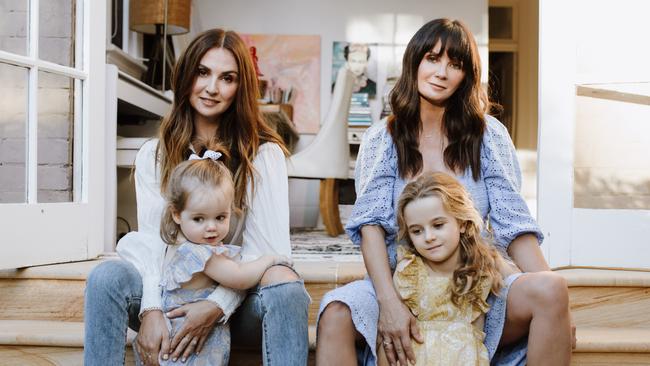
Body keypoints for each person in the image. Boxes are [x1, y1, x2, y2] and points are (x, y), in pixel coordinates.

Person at [316, 18, 573, 366]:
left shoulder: (488, 135)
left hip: (474, 286)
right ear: (415, 62)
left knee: (552, 289)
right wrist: (389, 303)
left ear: (466, 75)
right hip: (402, 286)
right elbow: (370, 226)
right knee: (335, 312)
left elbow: (514, 226)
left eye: (455, 64)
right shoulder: (384, 138)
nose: (442, 72)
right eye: (433, 59)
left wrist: (558, 304)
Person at [84, 29, 310, 366]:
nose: (212, 88)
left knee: (286, 284)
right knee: (106, 277)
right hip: (171, 298)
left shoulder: (263, 155)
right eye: (202, 72)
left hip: (238, 301)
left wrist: (216, 305)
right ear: (186, 74)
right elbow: (152, 244)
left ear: (240, 88)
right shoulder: (154, 155)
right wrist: (150, 309)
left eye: (227, 78)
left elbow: (266, 252)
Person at [131, 141, 292, 365]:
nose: (211, 227)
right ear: (177, 215)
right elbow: (239, 277)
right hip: (185, 349)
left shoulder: (196, 247)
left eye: (220, 217)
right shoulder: (196, 254)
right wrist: (271, 258)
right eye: (199, 219)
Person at [378, 172, 518, 365]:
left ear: (461, 223)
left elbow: (522, 284)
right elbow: (392, 336)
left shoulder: (484, 262)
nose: (428, 237)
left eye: (438, 225)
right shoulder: (409, 273)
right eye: (417, 231)